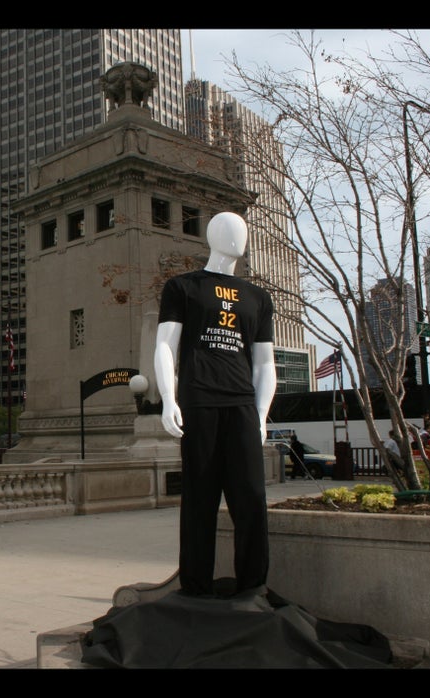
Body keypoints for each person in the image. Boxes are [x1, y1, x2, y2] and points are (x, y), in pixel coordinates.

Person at [154, 211, 277, 598]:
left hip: (242, 405)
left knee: (251, 501)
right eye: (229, 230)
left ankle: (253, 589)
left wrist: (261, 415)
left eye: (241, 230)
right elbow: (163, 346)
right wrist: (168, 400)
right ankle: (195, 589)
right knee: (199, 500)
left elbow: (264, 362)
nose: (237, 237)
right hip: (199, 402)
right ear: (211, 236)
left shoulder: (258, 297)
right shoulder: (183, 288)